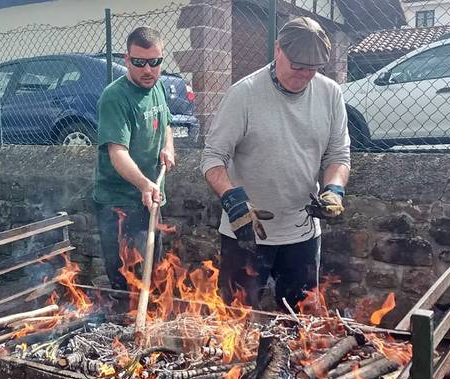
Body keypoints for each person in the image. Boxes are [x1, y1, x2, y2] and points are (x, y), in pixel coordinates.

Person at [200, 17, 351, 310]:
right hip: (245, 235)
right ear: (277, 49)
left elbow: (338, 156)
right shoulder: (243, 94)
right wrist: (233, 201)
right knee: (236, 323)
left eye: (313, 68)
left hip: (303, 235)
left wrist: (334, 190)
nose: (305, 75)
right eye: (298, 66)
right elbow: (212, 158)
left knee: (299, 324)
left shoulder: (331, 93)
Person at [93, 26, 175, 304]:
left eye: (155, 62)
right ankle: (122, 337)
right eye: (140, 63)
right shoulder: (115, 97)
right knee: (126, 281)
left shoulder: (158, 85)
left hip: (150, 197)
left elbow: (167, 124)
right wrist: (144, 184)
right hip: (118, 204)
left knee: (155, 271)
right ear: (127, 60)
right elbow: (118, 154)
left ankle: (152, 329)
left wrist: (167, 147)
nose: (148, 70)